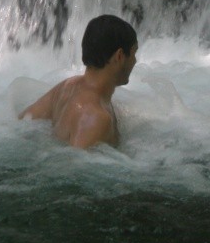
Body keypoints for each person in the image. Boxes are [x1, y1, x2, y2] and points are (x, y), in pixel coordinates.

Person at [19, 14, 138, 149]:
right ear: (120, 56)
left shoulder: (66, 88)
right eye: (134, 53)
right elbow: (73, 167)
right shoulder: (96, 118)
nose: (135, 61)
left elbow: (22, 122)